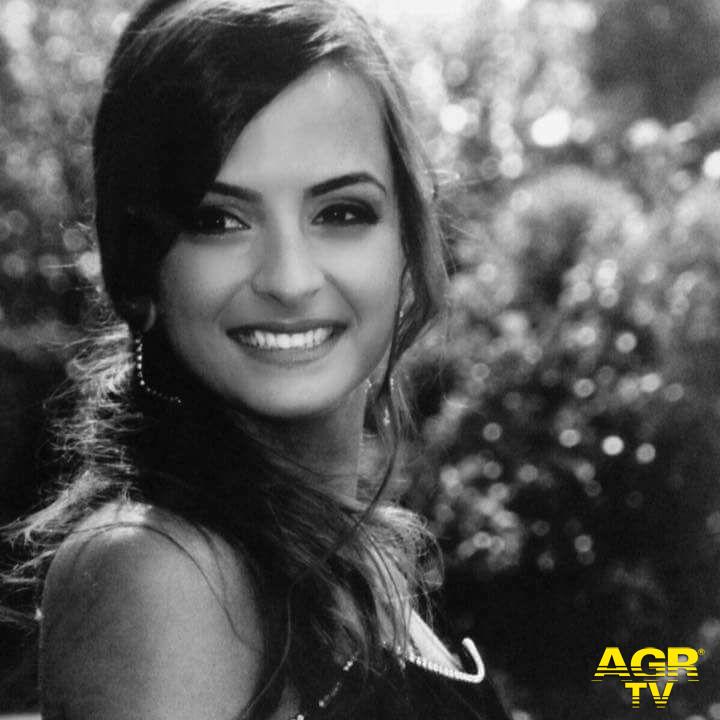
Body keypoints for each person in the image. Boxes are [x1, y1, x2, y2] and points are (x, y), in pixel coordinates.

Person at [6, 1, 510, 718]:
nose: (290, 279)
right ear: (139, 267)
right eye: (218, 220)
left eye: (341, 212)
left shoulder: (342, 554)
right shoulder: (161, 572)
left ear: (408, 237)